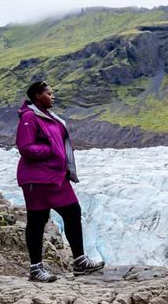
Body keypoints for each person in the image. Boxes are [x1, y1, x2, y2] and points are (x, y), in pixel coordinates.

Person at [16, 80, 105, 282]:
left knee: (73, 212)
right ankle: (36, 268)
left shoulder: (50, 117)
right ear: (38, 96)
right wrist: (51, 151)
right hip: (37, 180)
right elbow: (25, 147)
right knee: (37, 222)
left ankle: (80, 261)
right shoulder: (30, 117)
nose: (52, 96)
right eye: (49, 93)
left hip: (56, 177)